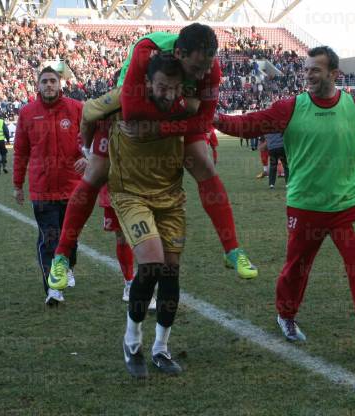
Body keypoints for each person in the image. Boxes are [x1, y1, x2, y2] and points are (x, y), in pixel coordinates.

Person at [214, 46, 355, 369]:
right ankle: (286, 315)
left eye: (315, 69)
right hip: (304, 207)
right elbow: (249, 125)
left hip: (349, 207)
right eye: (306, 69)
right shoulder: (291, 107)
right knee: (296, 269)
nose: (308, 74)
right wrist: (214, 119)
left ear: (334, 74)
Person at [49, 23, 257, 286]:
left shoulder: (210, 68)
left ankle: (232, 249)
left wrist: (162, 125)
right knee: (96, 170)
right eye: (196, 69)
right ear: (180, 54)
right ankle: (62, 255)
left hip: (171, 103)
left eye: (206, 68)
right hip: (132, 100)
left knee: (204, 165)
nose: (204, 74)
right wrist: (184, 107)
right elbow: (133, 111)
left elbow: (203, 122)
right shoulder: (146, 51)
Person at [76, 54, 190, 377]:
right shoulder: (125, 99)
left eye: (173, 88)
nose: (167, 94)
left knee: (170, 271)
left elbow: (200, 120)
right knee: (151, 263)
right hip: (131, 195)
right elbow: (88, 111)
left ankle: (161, 349)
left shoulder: (186, 102)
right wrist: (89, 149)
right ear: (148, 83)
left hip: (170, 197)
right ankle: (132, 341)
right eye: (161, 87)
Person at [12, 66, 86, 306]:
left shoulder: (77, 109)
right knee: (49, 238)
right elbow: (21, 151)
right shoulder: (27, 113)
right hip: (42, 189)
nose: (49, 85)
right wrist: (17, 184)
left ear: (60, 83)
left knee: (70, 237)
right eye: (44, 81)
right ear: (38, 85)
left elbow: (92, 138)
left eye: (53, 81)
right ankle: (53, 289)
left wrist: (89, 156)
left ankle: (68, 266)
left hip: (73, 187)